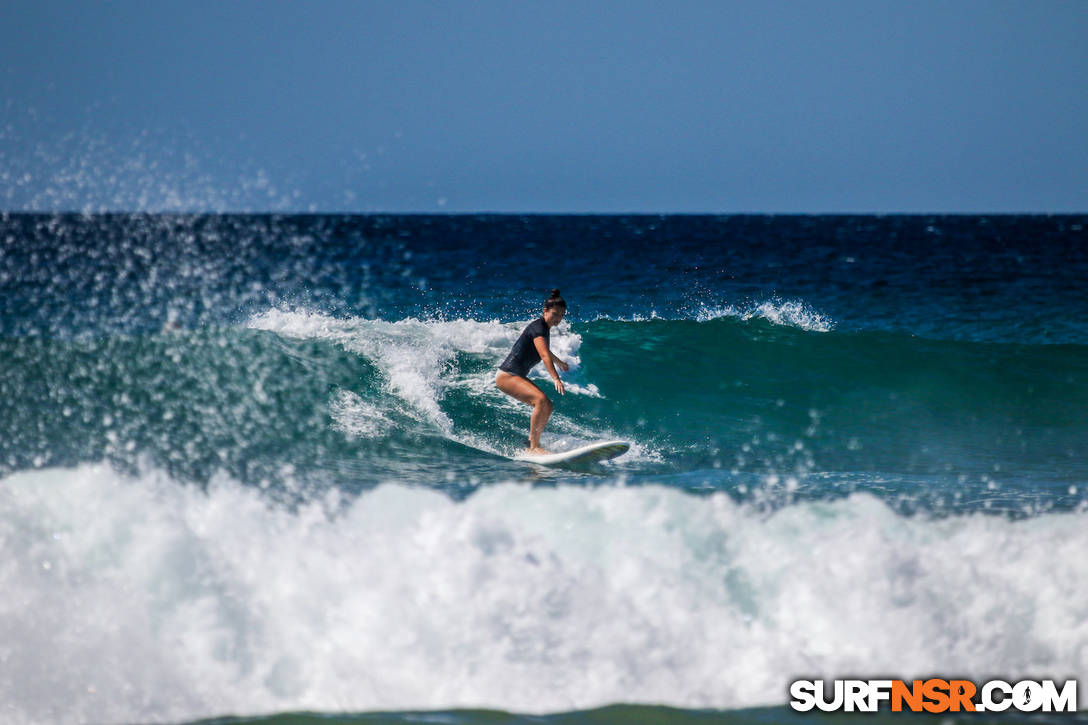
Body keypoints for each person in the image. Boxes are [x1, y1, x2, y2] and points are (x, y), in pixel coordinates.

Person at [496, 289, 570, 454]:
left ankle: (532, 442)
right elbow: (544, 356)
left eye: (561, 315)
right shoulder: (538, 328)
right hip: (507, 375)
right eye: (555, 314)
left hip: (515, 375)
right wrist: (556, 378)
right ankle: (534, 447)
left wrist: (559, 362)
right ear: (545, 311)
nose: (558, 319)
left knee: (547, 406)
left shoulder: (543, 328)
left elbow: (544, 350)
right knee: (541, 401)